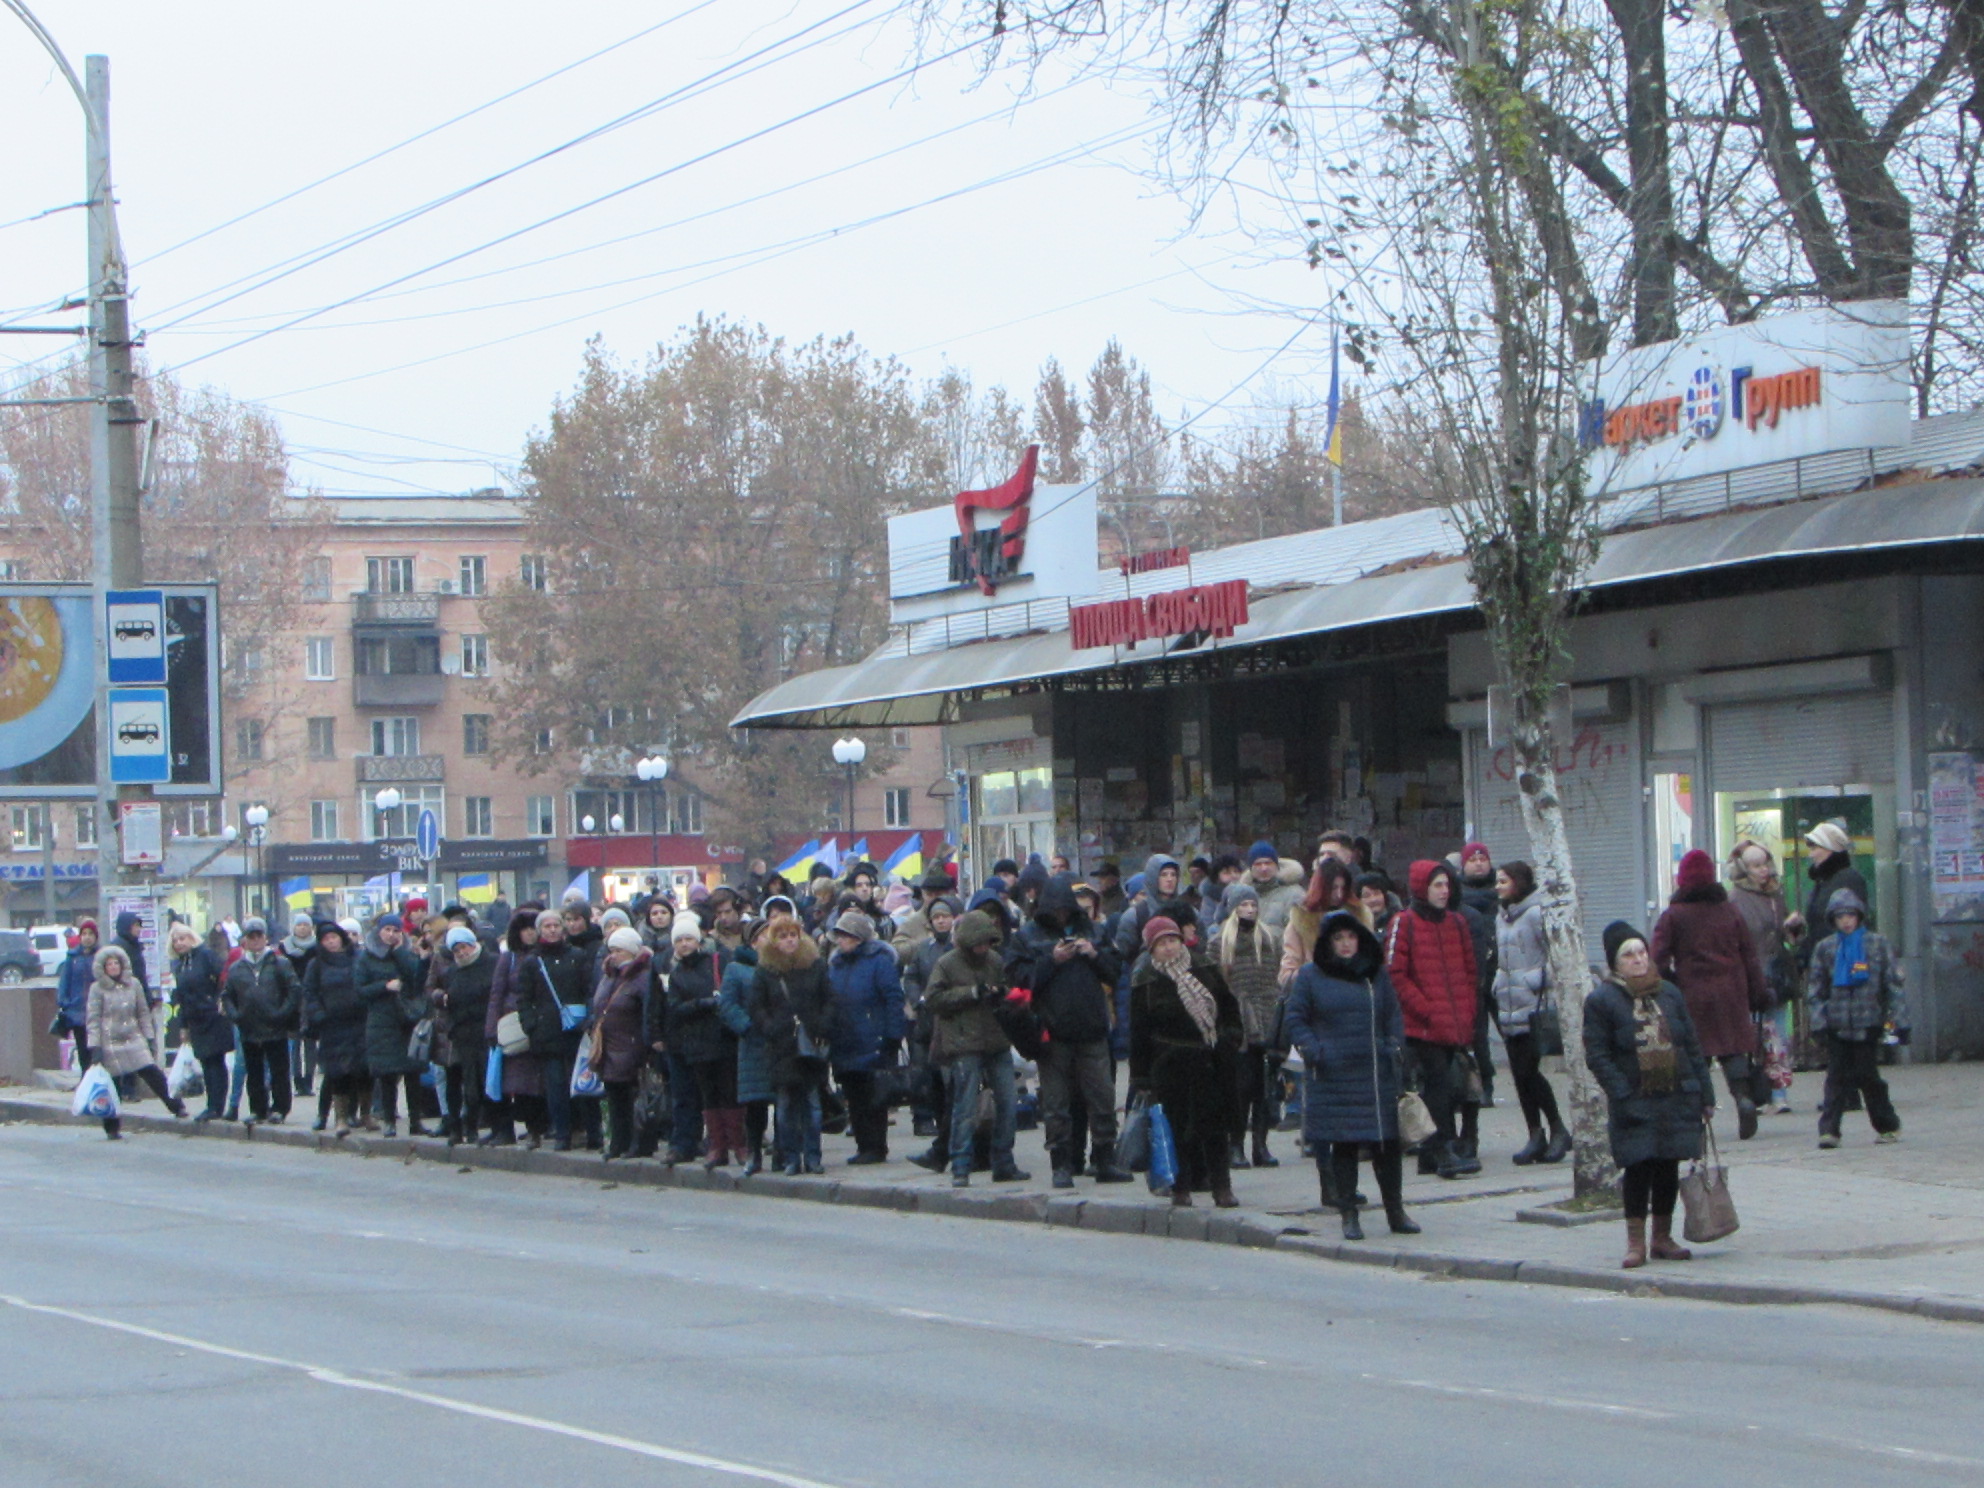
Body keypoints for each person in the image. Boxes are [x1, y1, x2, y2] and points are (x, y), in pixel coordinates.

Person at [1585, 922, 1714, 1269]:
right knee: (1639, 1167)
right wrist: (1621, 1093)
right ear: (1615, 963)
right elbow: (1597, 1055)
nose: (1639, 960)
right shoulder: (1602, 1001)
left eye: (1642, 952)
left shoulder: (1668, 993)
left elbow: (1690, 1044)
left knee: (1667, 1165)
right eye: (1629, 955)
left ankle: (1662, 1237)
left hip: (1675, 1094)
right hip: (1634, 1098)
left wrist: (1705, 1093)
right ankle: (1635, 1243)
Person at [1282, 912, 1420, 1238]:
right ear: (1329, 942)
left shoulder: (1375, 974)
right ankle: (1349, 1214)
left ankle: (1395, 1212)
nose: (1346, 944)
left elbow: (1393, 1016)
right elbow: (1296, 1018)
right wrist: (1315, 1050)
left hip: (1375, 1073)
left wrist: (1393, 1047)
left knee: (1386, 1146)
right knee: (1344, 1146)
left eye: (1351, 937)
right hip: (1334, 1075)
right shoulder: (1311, 976)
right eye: (1339, 938)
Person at [1013, 881, 1129, 1188]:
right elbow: (1019, 982)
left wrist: (1093, 954)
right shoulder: (1028, 937)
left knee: (1103, 1097)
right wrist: (1052, 960)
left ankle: (1104, 1159)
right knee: (1056, 1104)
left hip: (1092, 1029)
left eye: (1067, 909)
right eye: (1057, 910)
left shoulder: (1094, 931)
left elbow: (1116, 972)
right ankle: (1061, 1164)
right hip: (1053, 1033)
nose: (1062, 915)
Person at [1651, 849, 1770, 1139]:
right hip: (1732, 991)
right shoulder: (1730, 911)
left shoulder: (1674, 915)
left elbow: (1658, 957)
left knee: (1695, 1056)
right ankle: (1743, 1098)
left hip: (1693, 994)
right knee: (1732, 1050)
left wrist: (1668, 985)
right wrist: (1758, 992)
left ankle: (1697, 1116)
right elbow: (1749, 955)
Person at [1129, 916, 1243, 1208]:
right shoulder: (1146, 980)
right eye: (1161, 944)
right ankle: (1181, 1187)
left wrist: (1230, 1037)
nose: (1169, 948)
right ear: (1151, 949)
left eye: (1172, 941)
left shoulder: (1203, 966)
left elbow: (1229, 1006)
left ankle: (1222, 1187)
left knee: (1216, 1127)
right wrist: (1140, 1077)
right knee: (1178, 1129)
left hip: (1211, 1058)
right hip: (1170, 1063)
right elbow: (1138, 1031)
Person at [1387, 860, 1481, 1178]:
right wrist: (1427, 1010)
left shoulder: (1456, 923)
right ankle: (1441, 1148)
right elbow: (1396, 975)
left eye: (1446, 885)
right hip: (1421, 1025)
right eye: (1437, 885)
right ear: (1421, 888)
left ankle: (1432, 1152)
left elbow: (1469, 973)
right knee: (1438, 1086)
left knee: (1451, 1086)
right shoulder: (1405, 922)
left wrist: (1466, 1014)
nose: (1444, 891)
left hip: (1452, 1023)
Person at [926, 909, 1029, 1187]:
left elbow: (1007, 988)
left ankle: (1003, 1162)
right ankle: (960, 1165)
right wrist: (971, 993)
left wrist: (1002, 993)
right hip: (964, 1043)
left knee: (1008, 1102)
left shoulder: (994, 960)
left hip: (995, 1039)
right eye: (979, 943)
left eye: (988, 942)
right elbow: (933, 998)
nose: (984, 948)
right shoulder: (947, 964)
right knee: (965, 1106)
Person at [1805, 889, 1905, 1147]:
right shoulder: (1826, 948)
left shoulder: (1877, 944)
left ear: (1860, 916)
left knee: (1867, 1076)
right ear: (1833, 920)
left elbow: (1892, 986)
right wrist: (1819, 1021)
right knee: (1835, 1078)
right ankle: (1829, 1130)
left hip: (1868, 1022)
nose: (1846, 921)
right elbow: (1816, 990)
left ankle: (1887, 1125)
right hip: (1837, 1024)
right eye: (1840, 917)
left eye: (1850, 915)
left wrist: (1899, 1021)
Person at [1491, 863, 1570, 1164]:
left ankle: (1557, 1128)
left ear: (1519, 883)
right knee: (1519, 1076)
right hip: (1508, 1005)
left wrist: (1536, 979)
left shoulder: (1536, 913)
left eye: (1503, 881)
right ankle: (1534, 1133)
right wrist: (1499, 983)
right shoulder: (1502, 917)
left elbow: (1558, 955)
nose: (1497, 886)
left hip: (1532, 1005)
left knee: (1528, 1071)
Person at [749, 913, 837, 1175]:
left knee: (812, 1102)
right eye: (783, 936)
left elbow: (829, 999)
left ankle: (813, 1156)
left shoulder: (814, 964)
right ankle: (790, 1157)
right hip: (782, 1045)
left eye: (793, 935)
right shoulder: (766, 970)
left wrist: (822, 1026)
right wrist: (770, 1028)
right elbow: (756, 1006)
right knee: (786, 1105)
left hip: (810, 1042)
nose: (789, 941)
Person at [824, 910, 907, 1164]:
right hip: (845, 1041)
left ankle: (876, 1146)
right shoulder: (835, 965)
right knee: (854, 1096)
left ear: (858, 937)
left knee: (874, 1096)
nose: (840, 941)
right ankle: (863, 1145)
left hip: (873, 1039)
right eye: (838, 936)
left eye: (845, 936)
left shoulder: (879, 961)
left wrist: (893, 1035)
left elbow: (894, 998)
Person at [667, 914, 744, 1170]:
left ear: (699, 940)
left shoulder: (717, 961)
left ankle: (739, 1145)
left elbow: (732, 993)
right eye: (679, 940)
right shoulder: (676, 973)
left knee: (729, 1093)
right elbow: (675, 1008)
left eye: (689, 938)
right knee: (708, 1096)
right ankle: (717, 1146)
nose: (684, 944)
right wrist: (703, 1003)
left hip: (722, 1039)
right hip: (696, 1043)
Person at [85, 944, 186, 1136]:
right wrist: (95, 1046)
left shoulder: (134, 984)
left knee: (152, 1072)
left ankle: (176, 1105)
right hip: (109, 1041)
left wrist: (148, 1037)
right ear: (103, 968)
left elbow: (142, 1013)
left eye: (117, 963)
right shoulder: (97, 989)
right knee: (113, 1085)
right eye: (109, 964)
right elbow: (93, 1019)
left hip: (133, 1037)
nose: (114, 967)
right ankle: (112, 1126)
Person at [1726, 838, 1796, 1115]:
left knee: (1778, 1036)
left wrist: (1792, 927)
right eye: (1755, 865)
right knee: (1753, 1037)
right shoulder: (1735, 899)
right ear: (1744, 868)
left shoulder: (1776, 894)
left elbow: (1784, 934)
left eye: (1765, 863)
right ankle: (1756, 1093)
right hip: (1749, 976)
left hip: (1776, 973)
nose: (1763, 870)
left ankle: (1780, 1093)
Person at [1217, 882, 1283, 1170]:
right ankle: (1235, 1146)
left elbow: (1274, 980)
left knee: (1264, 1088)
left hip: (1265, 1016)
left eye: (1253, 905)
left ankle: (1260, 1145)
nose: (1249, 910)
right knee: (1239, 1088)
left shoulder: (1268, 939)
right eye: (1243, 905)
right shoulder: (1221, 941)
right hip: (1236, 1021)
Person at [528, 908, 603, 1152]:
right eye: (547, 926)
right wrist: (531, 1025)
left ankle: (594, 1134)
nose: (552, 930)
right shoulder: (533, 960)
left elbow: (588, 989)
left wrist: (588, 1020)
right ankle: (563, 1134)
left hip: (577, 1030)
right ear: (540, 930)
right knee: (556, 1086)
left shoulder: (577, 956)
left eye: (556, 925)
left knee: (584, 1081)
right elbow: (525, 998)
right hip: (547, 1032)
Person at [221, 917, 300, 1126]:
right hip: (249, 1027)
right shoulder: (237, 967)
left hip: (275, 1026)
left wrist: (282, 1013)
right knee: (253, 1072)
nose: (255, 940)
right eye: (251, 936)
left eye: (259, 936)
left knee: (279, 1071)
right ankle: (258, 1109)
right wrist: (236, 1015)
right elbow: (227, 994)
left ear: (265, 938)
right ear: (244, 940)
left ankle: (280, 1108)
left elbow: (294, 990)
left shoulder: (279, 963)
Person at [357, 912, 428, 1139]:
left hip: (407, 1020)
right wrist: (384, 986)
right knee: (387, 1074)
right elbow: (360, 990)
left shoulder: (406, 953)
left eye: (396, 931)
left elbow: (417, 979)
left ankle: (416, 1120)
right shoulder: (366, 957)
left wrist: (400, 953)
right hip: (382, 1021)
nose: (391, 935)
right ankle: (388, 1119)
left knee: (413, 1072)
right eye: (387, 930)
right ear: (379, 931)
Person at [589, 926, 654, 1161]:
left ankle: (637, 1142)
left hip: (631, 1045)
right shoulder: (609, 975)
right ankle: (617, 1142)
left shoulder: (643, 977)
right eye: (612, 950)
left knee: (632, 1097)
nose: (613, 955)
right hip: (609, 1046)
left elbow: (648, 1012)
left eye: (619, 951)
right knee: (614, 1097)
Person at [900, 894, 958, 1153]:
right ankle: (931, 1120)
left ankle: (951, 1128)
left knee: (951, 1079)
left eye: (945, 916)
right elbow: (911, 976)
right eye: (936, 918)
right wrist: (917, 998)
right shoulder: (924, 948)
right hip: (927, 1022)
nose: (941, 921)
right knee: (928, 1075)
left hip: (953, 1021)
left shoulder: (958, 947)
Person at [486, 910, 547, 1147]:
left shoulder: (545, 956)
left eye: (534, 927)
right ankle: (509, 1129)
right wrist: (492, 1028)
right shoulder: (508, 958)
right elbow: (496, 994)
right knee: (512, 1083)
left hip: (540, 1025)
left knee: (536, 1085)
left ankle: (536, 1130)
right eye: (525, 928)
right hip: (513, 1029)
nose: (530, 933)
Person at [301, 922, 369, 1138]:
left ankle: (365, 1114)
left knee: (364, 1068)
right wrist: (319, 1015)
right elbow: (309, 993)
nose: (331, 942)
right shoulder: (316, 964)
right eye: (325, 939)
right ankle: (340, 1118)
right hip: (333, 1025)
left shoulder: (358, 958)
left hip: (360, 1021)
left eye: (334, 937)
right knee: (338, 1072)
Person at [716, 923, 770, 1175]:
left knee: (785, 1099)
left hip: (780, 1041)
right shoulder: (737, 969)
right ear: (752, 941)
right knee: (756, 1101)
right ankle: (754, 1152)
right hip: (753, 1043)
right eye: (763, 935)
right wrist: (747, 1027)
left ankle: (785, 1152)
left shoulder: (784, 964)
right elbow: (727, 1005)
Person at [434, 926, 495, 1144]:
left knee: (485, 1082)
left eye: (465, 947)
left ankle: (485, 1125)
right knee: (466, 1084)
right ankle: (463, 1128)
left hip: (486, 1031)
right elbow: (438, 993)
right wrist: (441, 999)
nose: (462, 953)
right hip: (462, 1034)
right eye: (457, 950)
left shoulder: (491, 963)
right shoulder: (452, 972)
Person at [166, 924, 232, 1122]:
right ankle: (211, 1105)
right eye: (175, 940)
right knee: (205, 1061)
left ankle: (216, 1106)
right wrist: (183, 1026)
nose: (179, 943)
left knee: (215, 1062)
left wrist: (220, 1000)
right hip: (195, 1019)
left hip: (212, 1015)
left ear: (192, 938)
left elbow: (224, 978)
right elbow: (182, 996)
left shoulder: (205, 955)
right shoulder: (180, 964)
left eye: (182, 938)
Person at [1455, 842, 1500, 1111]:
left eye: (1483, 858)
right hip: (1473, 974)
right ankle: (1485, 1083)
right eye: (1473, 859)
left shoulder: (1504, 891)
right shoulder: (1457, 898)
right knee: (1478, 1033)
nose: (1479, 863)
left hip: (1502, 971)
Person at [1280, 857, 1367, 988]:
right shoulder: (1301, 921)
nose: (1339, 894)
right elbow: (1286, 975)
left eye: (1343, 888)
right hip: (1316, 997)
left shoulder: (1360, 917)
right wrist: (1314, 972)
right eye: (1333, 888)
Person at [1112, 853, 1182, 965]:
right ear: (1153, 878)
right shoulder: (1135, 915)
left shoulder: (1188, 912)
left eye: (1173, 875)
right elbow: (1125, 953)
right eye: (1164, 875)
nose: (1170, 879)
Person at [277, 912, 319, 1097]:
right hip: (291, 1000)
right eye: (299, 925)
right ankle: (297, 1081)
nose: (302, 928)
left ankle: (308, 1080)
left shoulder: (317, 947)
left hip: (310, 999)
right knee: (293, 1044)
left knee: (310, 1043)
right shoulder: (284, 947)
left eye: (306, 925)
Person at [54, 919, 99, 1071]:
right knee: (82, 1049)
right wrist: (64, 1003)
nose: (87, 937)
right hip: (77, 1012)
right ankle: (85, 1079)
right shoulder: (72, 957)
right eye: (84, 934)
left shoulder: (101, 956)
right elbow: (65, 982)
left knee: (96, 1049)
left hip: (96, 1012)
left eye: (91, 934)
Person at [1242, 841, 1301, 942]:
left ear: (1276, 865)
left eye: (1268, 863)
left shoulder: (1294, 894)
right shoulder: (1243, 896)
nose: (1264, 868)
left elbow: (1298, 934)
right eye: (1258, 864)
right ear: (1251, 868)